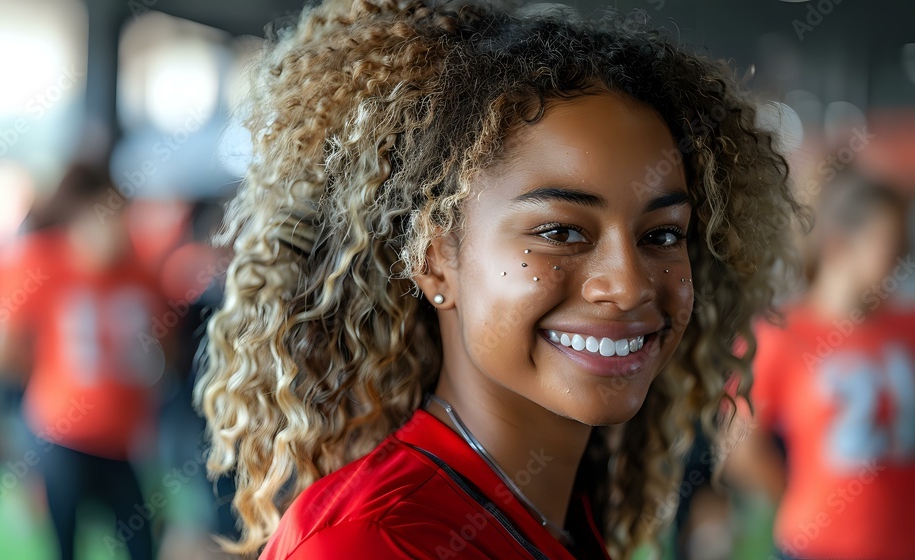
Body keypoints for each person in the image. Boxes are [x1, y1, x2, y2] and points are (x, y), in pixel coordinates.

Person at [195, 1, 808, 558]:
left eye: (662, 235)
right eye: (561, 232)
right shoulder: (371, 544)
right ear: (436, 260)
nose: (629, 285)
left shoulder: (560, 511)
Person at [0, 164, 165, 560]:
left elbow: (162, 342)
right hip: (60, 433)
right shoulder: (41, 262)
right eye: (112, 213)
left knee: (142, 541)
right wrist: (42, 373)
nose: (121, 225)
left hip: (120, 437)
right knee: (65, 542)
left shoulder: (136, 272)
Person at [725, 171, 915, 560]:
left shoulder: (907, 326)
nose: (902, 257)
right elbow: (739, 449)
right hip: (816, 547)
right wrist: (804, 501)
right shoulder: (780, 333)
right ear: (840, 244)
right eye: (890, 243)